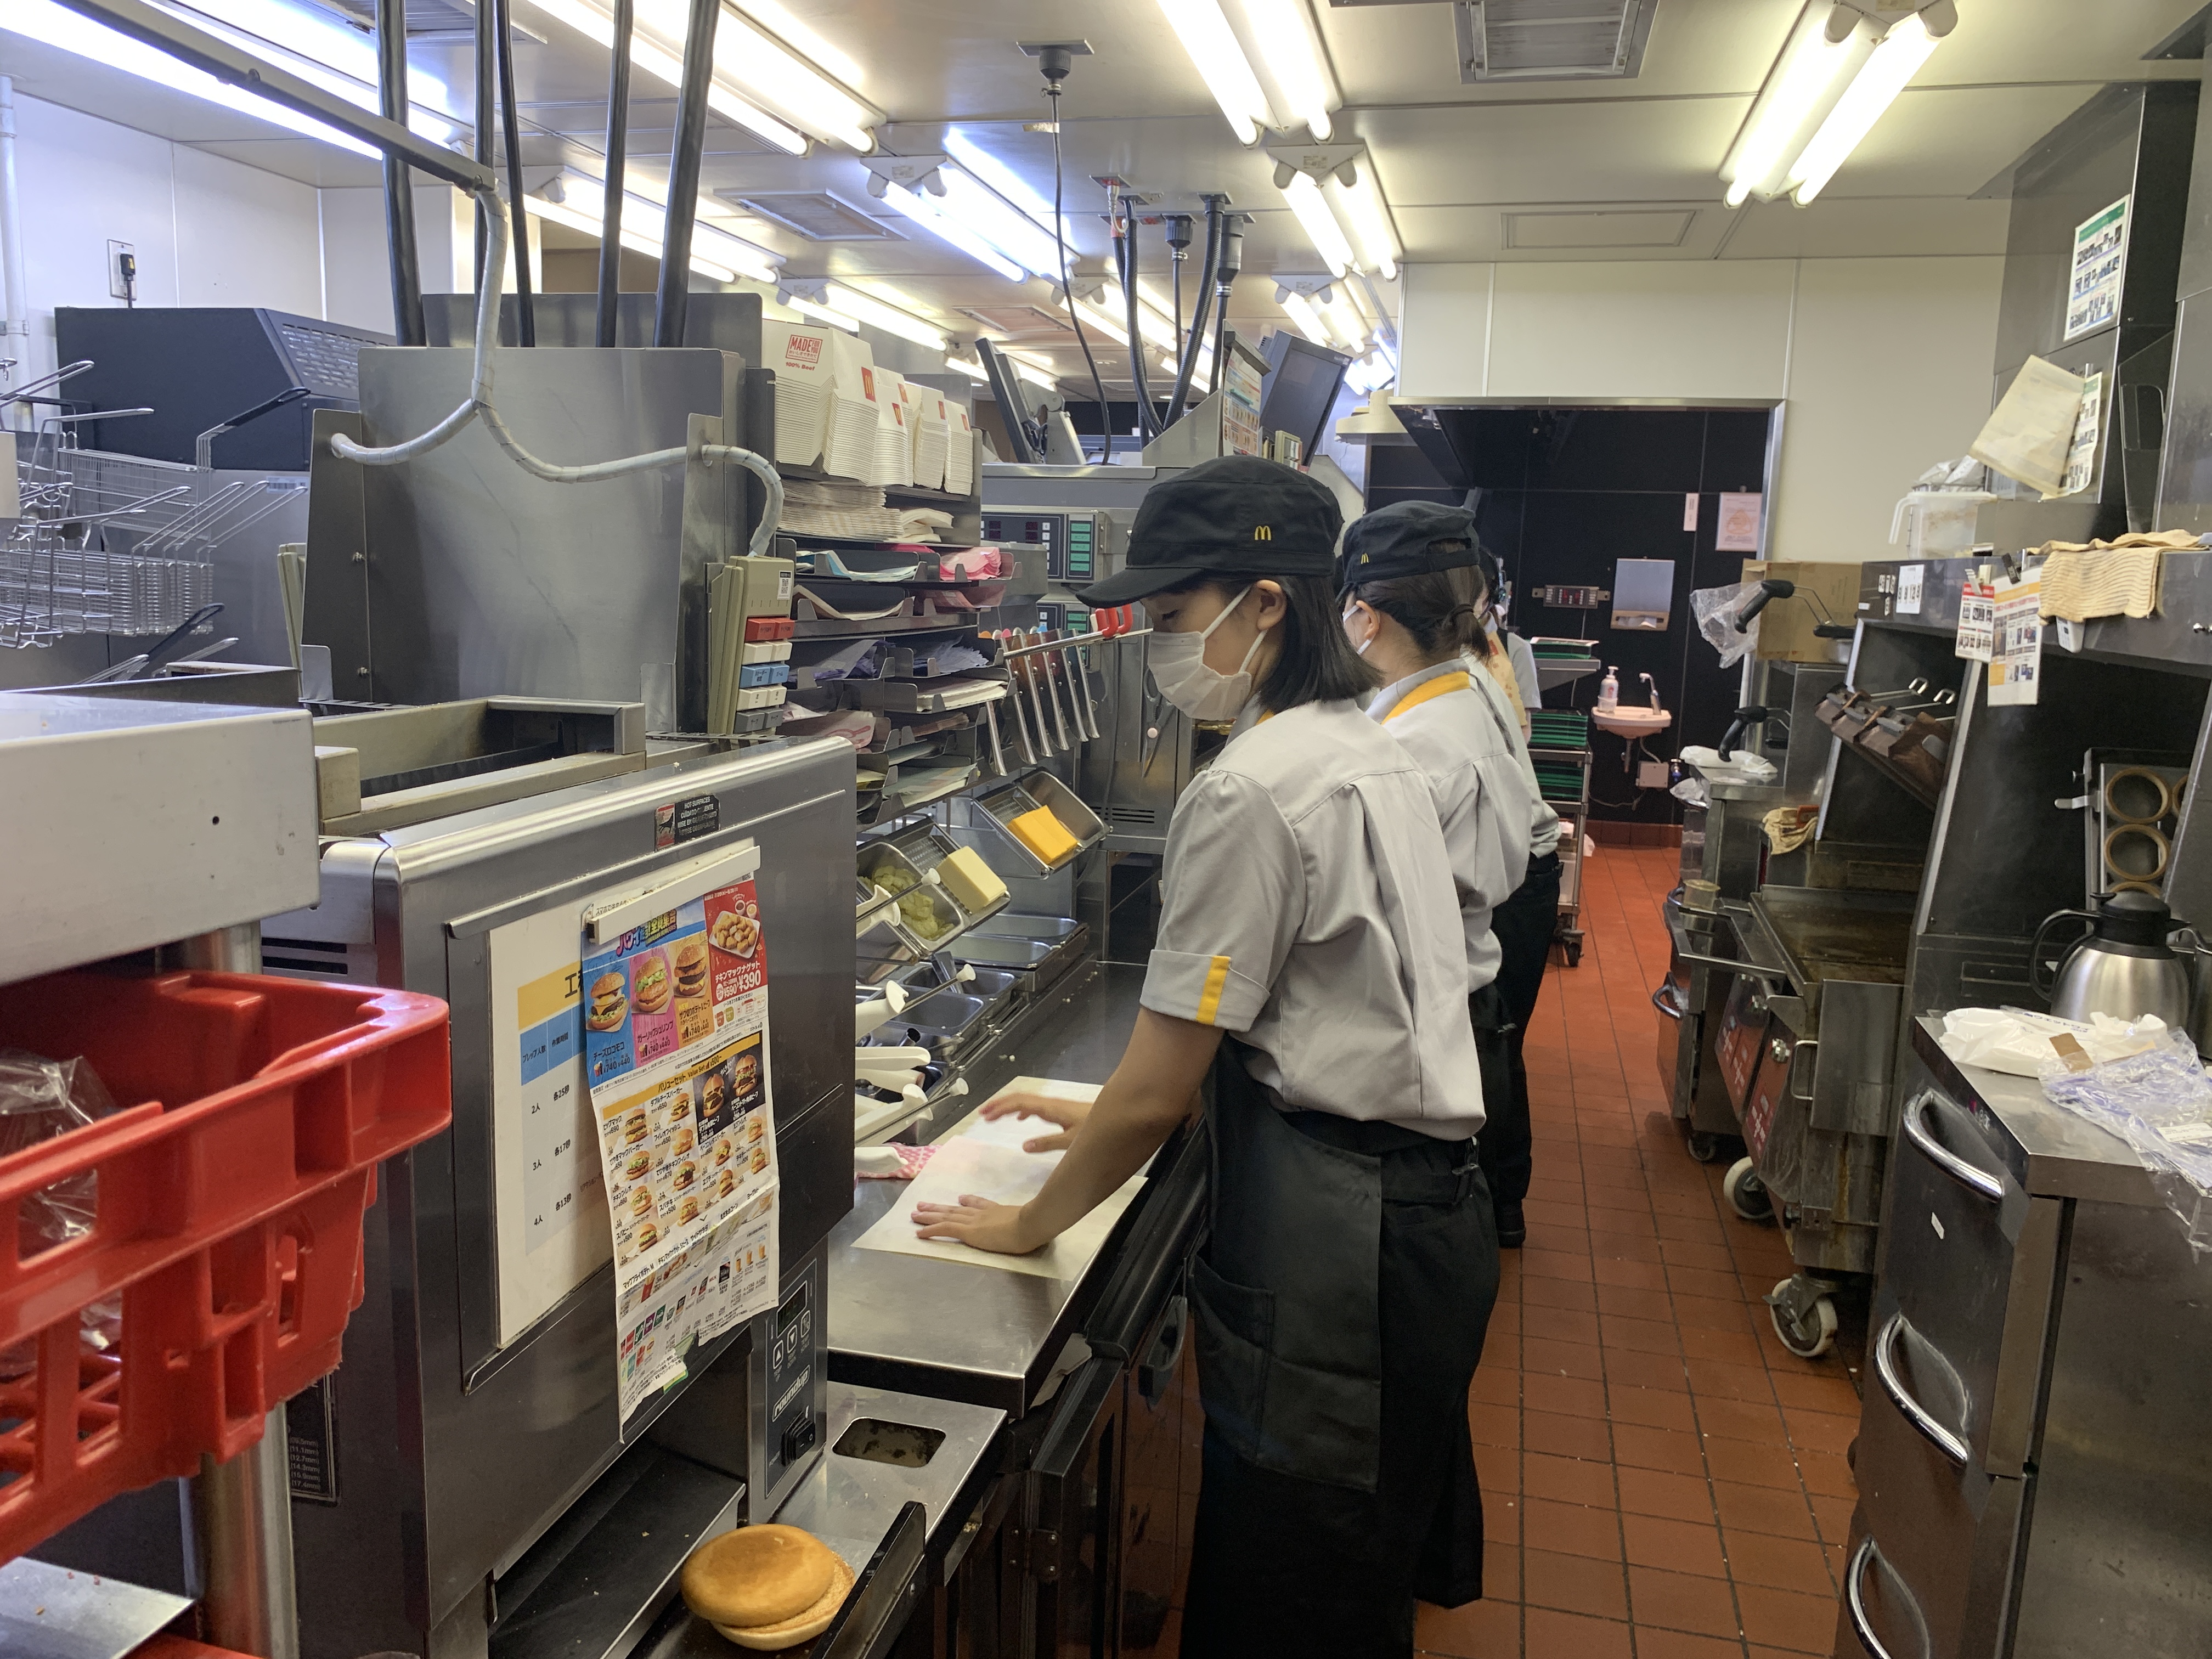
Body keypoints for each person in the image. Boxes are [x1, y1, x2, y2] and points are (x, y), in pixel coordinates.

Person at [912, 454, 1501, 1658]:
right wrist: (1107, 1113)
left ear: (1265, 601)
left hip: (1346, 1248)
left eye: (1175, 612)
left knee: (1291, 1599)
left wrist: (1028, 1224)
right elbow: (1321, 998)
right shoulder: (1361, 740)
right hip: (1420, 1218)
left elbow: (1159, 1088)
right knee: (1350, 1586)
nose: (1161, 643)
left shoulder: (1252, 787)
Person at [1336, 501, 1536, 1245]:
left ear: (1365, 616)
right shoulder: (1463, 696)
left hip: (1424, 1017)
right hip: (1468, 991)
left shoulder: (1412, 748)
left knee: (1417, 1226)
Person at [1466, 543, 1565, 1246]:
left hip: (1517, 870)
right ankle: (1496, 1199)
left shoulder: (1482, 666)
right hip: (1518, 864)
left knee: (1493, 1035)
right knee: (1494, 1037)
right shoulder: (1472, 664)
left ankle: (1499, 1200)